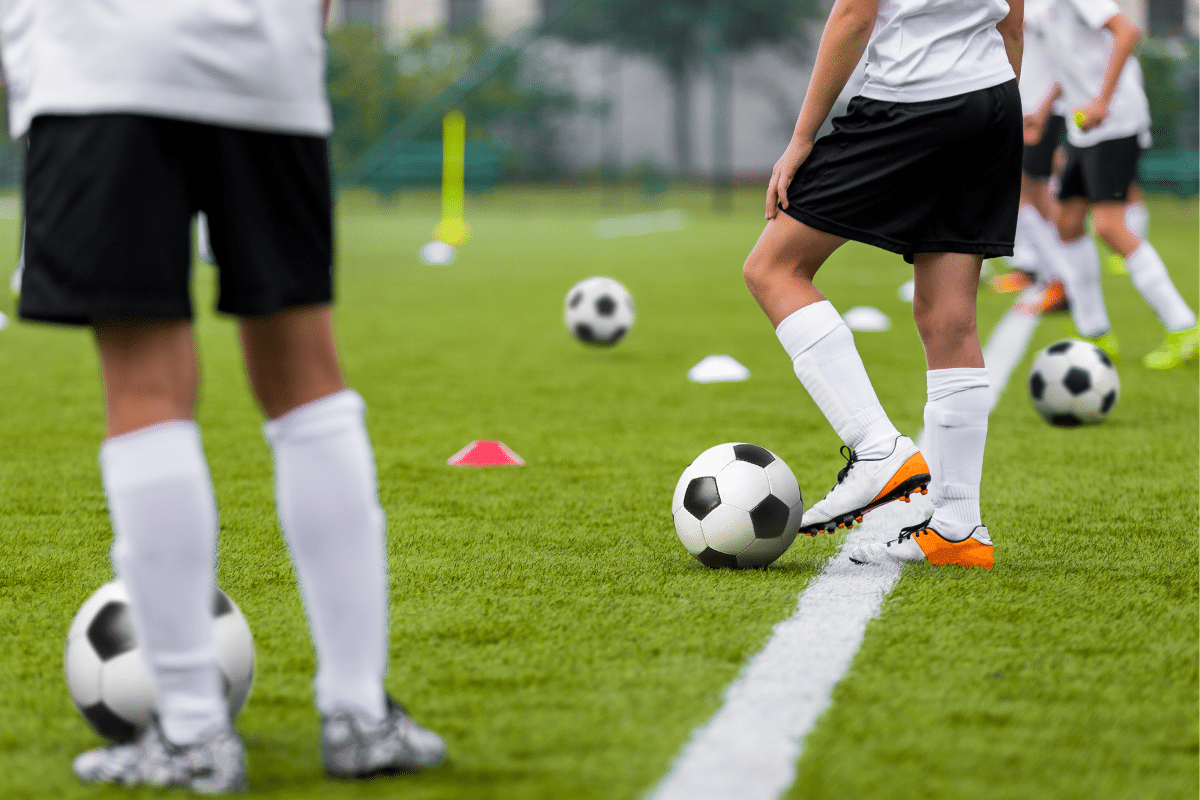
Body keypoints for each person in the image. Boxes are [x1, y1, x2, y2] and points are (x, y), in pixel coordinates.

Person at [1, 0, 444, 792]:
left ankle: (194, 734)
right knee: (307, 375)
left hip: (100, 62)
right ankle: (357, 714)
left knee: (144, 383)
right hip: (261, 60)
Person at [743, 0, 1025, 568]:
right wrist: (991, 110)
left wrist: (802, 139)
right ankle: (957, 528)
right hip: (993, 99)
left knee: (774, 268)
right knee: (949, 316)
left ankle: (879, 449)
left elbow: (853, 13)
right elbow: (1013, 19)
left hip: (914, 98)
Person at [1027, 0, 1198, 369]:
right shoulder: (1042, 8)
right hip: (1083, 128)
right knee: (1068, 223)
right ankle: (1095, 335)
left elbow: (1128, 31)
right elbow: (1068, 66)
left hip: (1115, 122)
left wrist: (1103, 99)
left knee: (1108, 226)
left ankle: (1183, 326)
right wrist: (1042, 112)